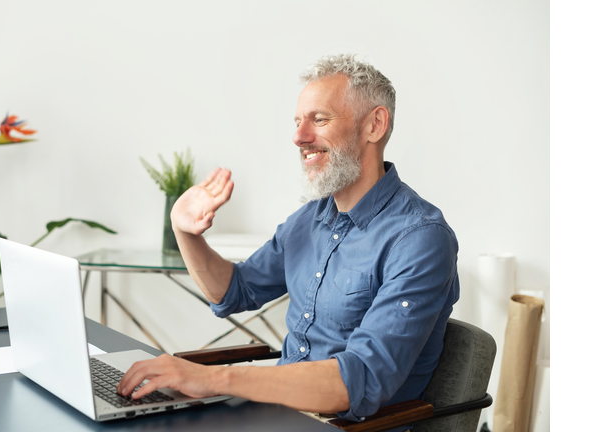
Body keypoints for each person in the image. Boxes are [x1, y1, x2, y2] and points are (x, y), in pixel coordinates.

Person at [118, 54, 460, 425]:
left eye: (320, 119)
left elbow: (358, 378)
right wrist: (183, 230)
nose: (299, 137)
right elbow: (235, 290)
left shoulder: (420, 238)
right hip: (277, 417)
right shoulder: (310, 219)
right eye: (298, 122)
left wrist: (216, 379)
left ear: (374, 125)